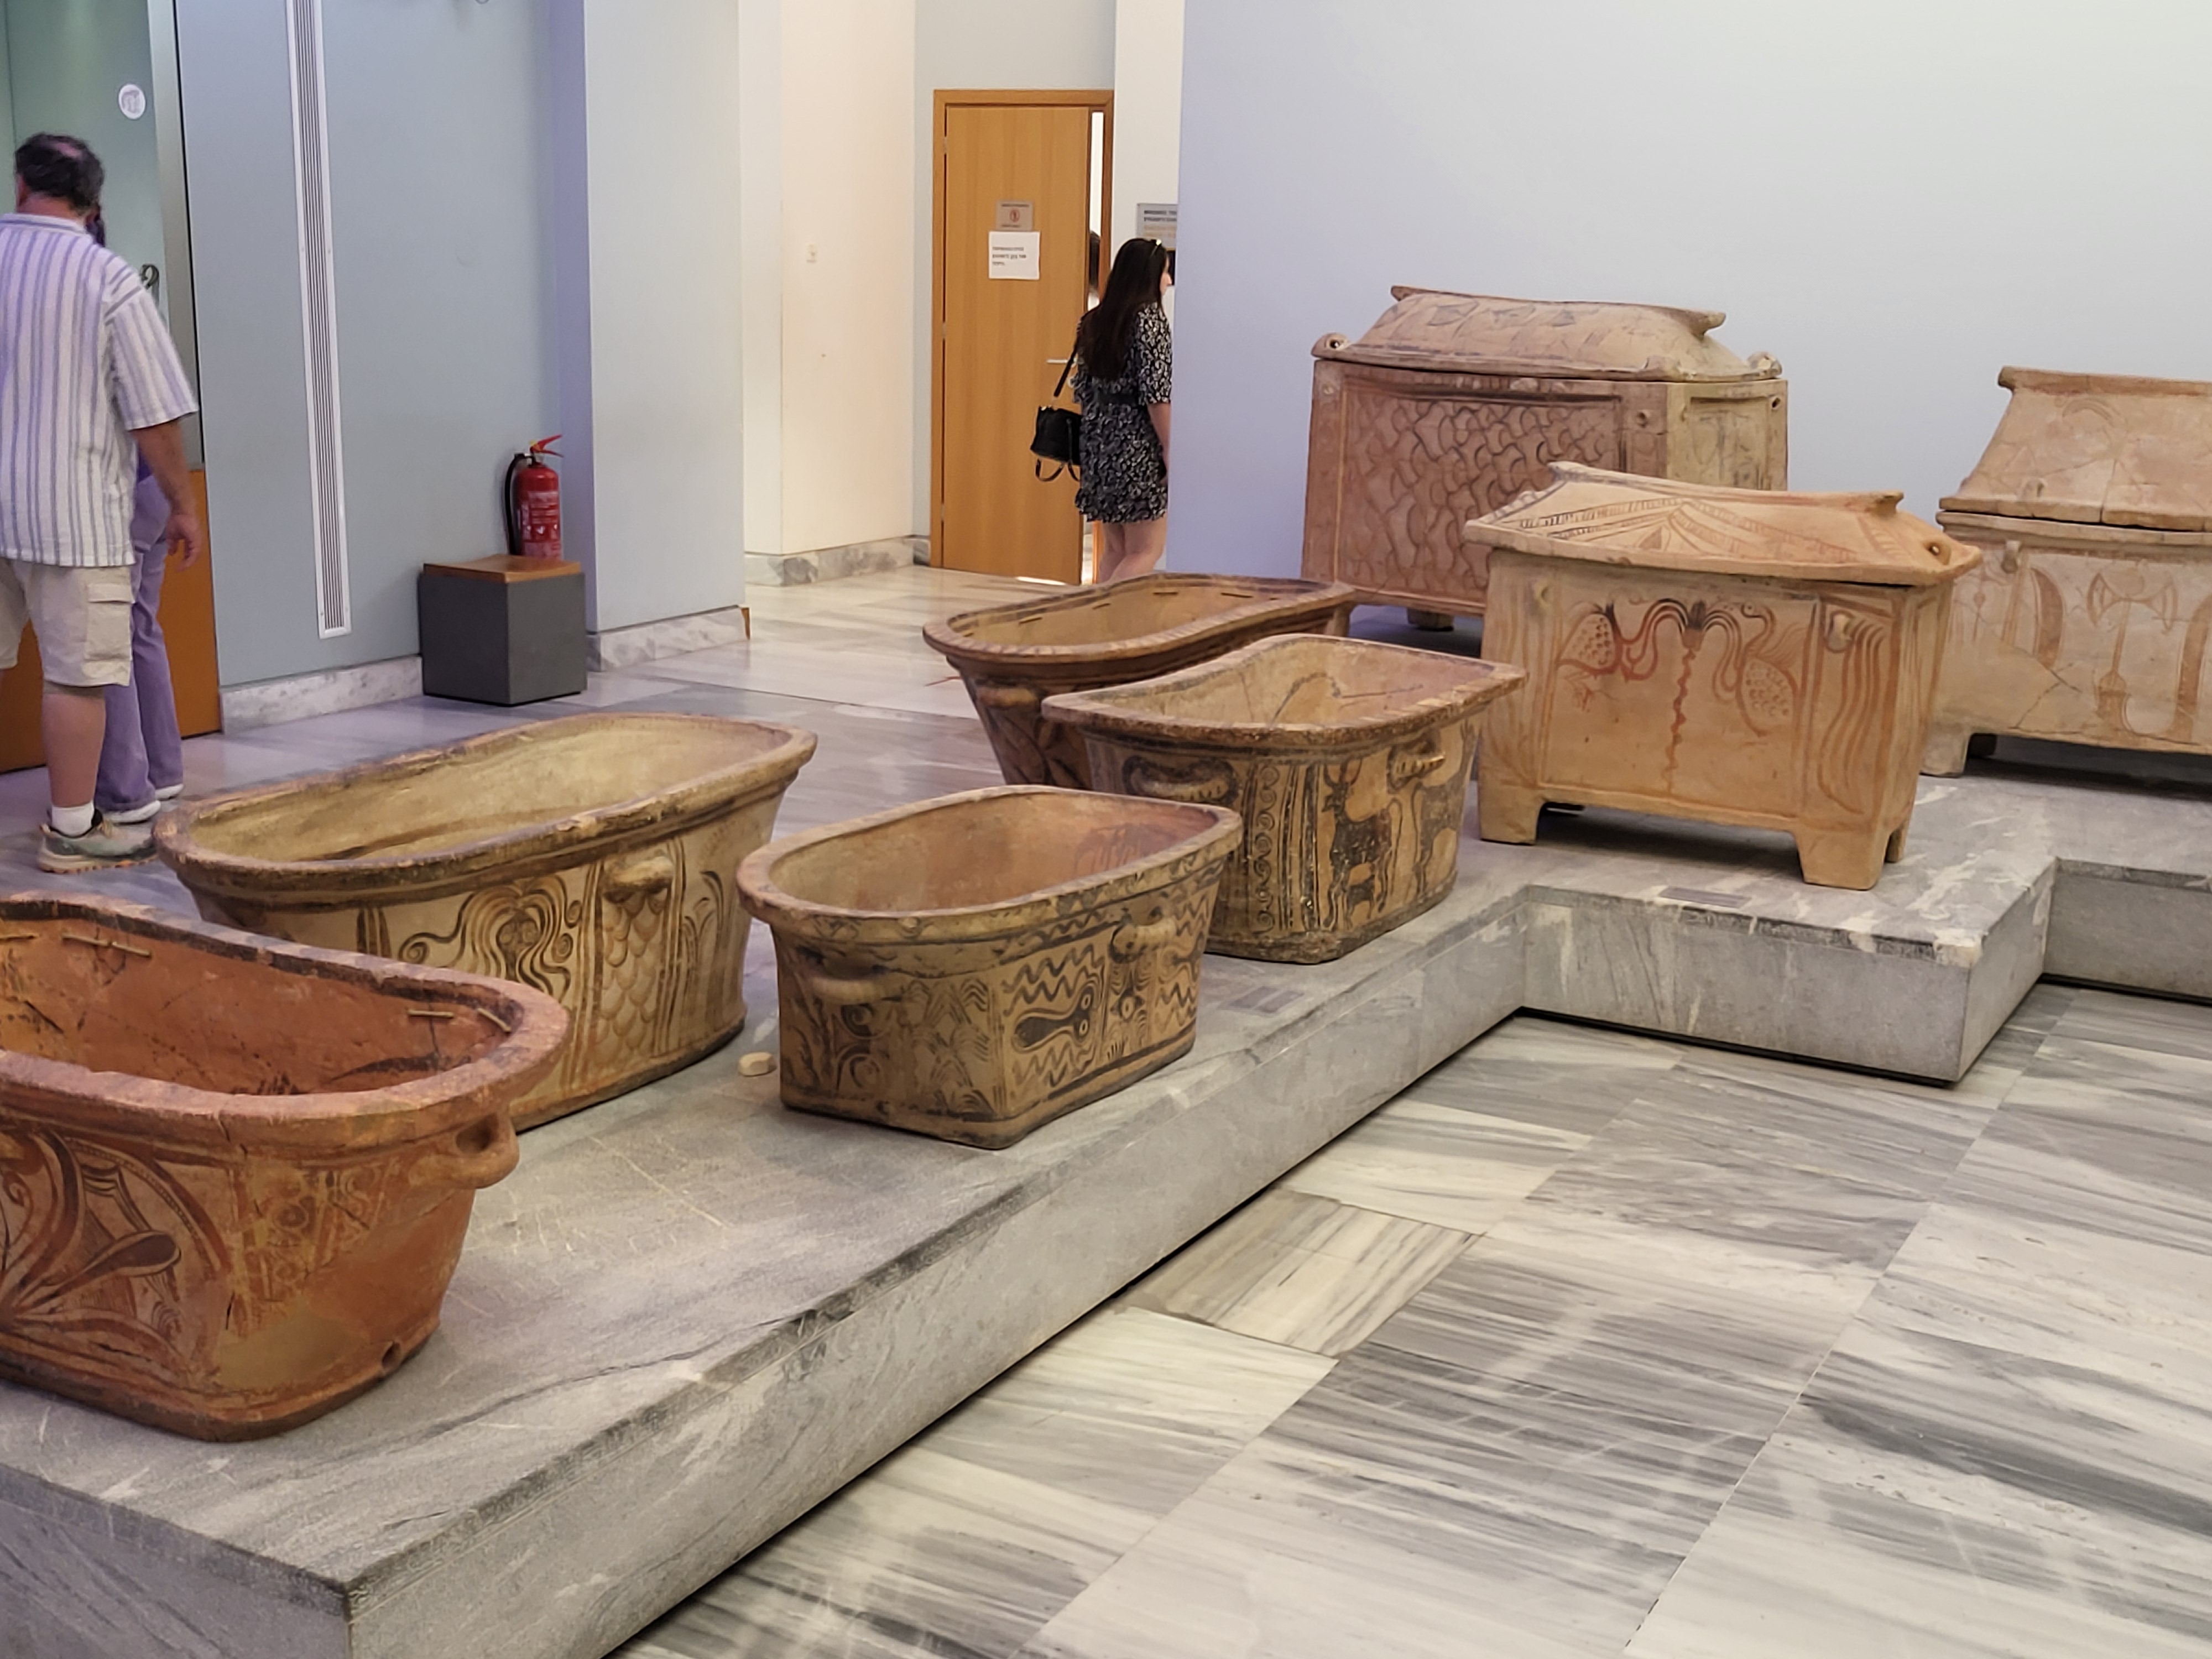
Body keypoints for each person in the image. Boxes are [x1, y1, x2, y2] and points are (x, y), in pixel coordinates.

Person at [0, 133, 200, 871]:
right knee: (77, 677)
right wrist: (182, 503)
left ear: (21, 185)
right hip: (71, 513)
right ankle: (72, 830)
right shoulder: (106, 278)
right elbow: (154, 415)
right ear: (93, 202)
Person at [86, 210, 193, 828]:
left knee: (107, 640)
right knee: (139, 629)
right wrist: (182, 503)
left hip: (120, 492)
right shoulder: (125, 297)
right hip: (154, 490)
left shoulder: (85, 304)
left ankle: (126, 791)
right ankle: (166, 768)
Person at [1073, 237, 1172, 583]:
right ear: (1149, 276)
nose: (1168, 281)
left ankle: (1098, 612)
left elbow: (1083, 389)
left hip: (1098, 446)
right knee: (1145, 551)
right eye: (1165, 272)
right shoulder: (1149, 321)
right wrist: (1169, 447)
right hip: (1137, 449)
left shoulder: (1094, 321)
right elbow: (1157, 394)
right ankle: (1112, 614)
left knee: (1115, 550)